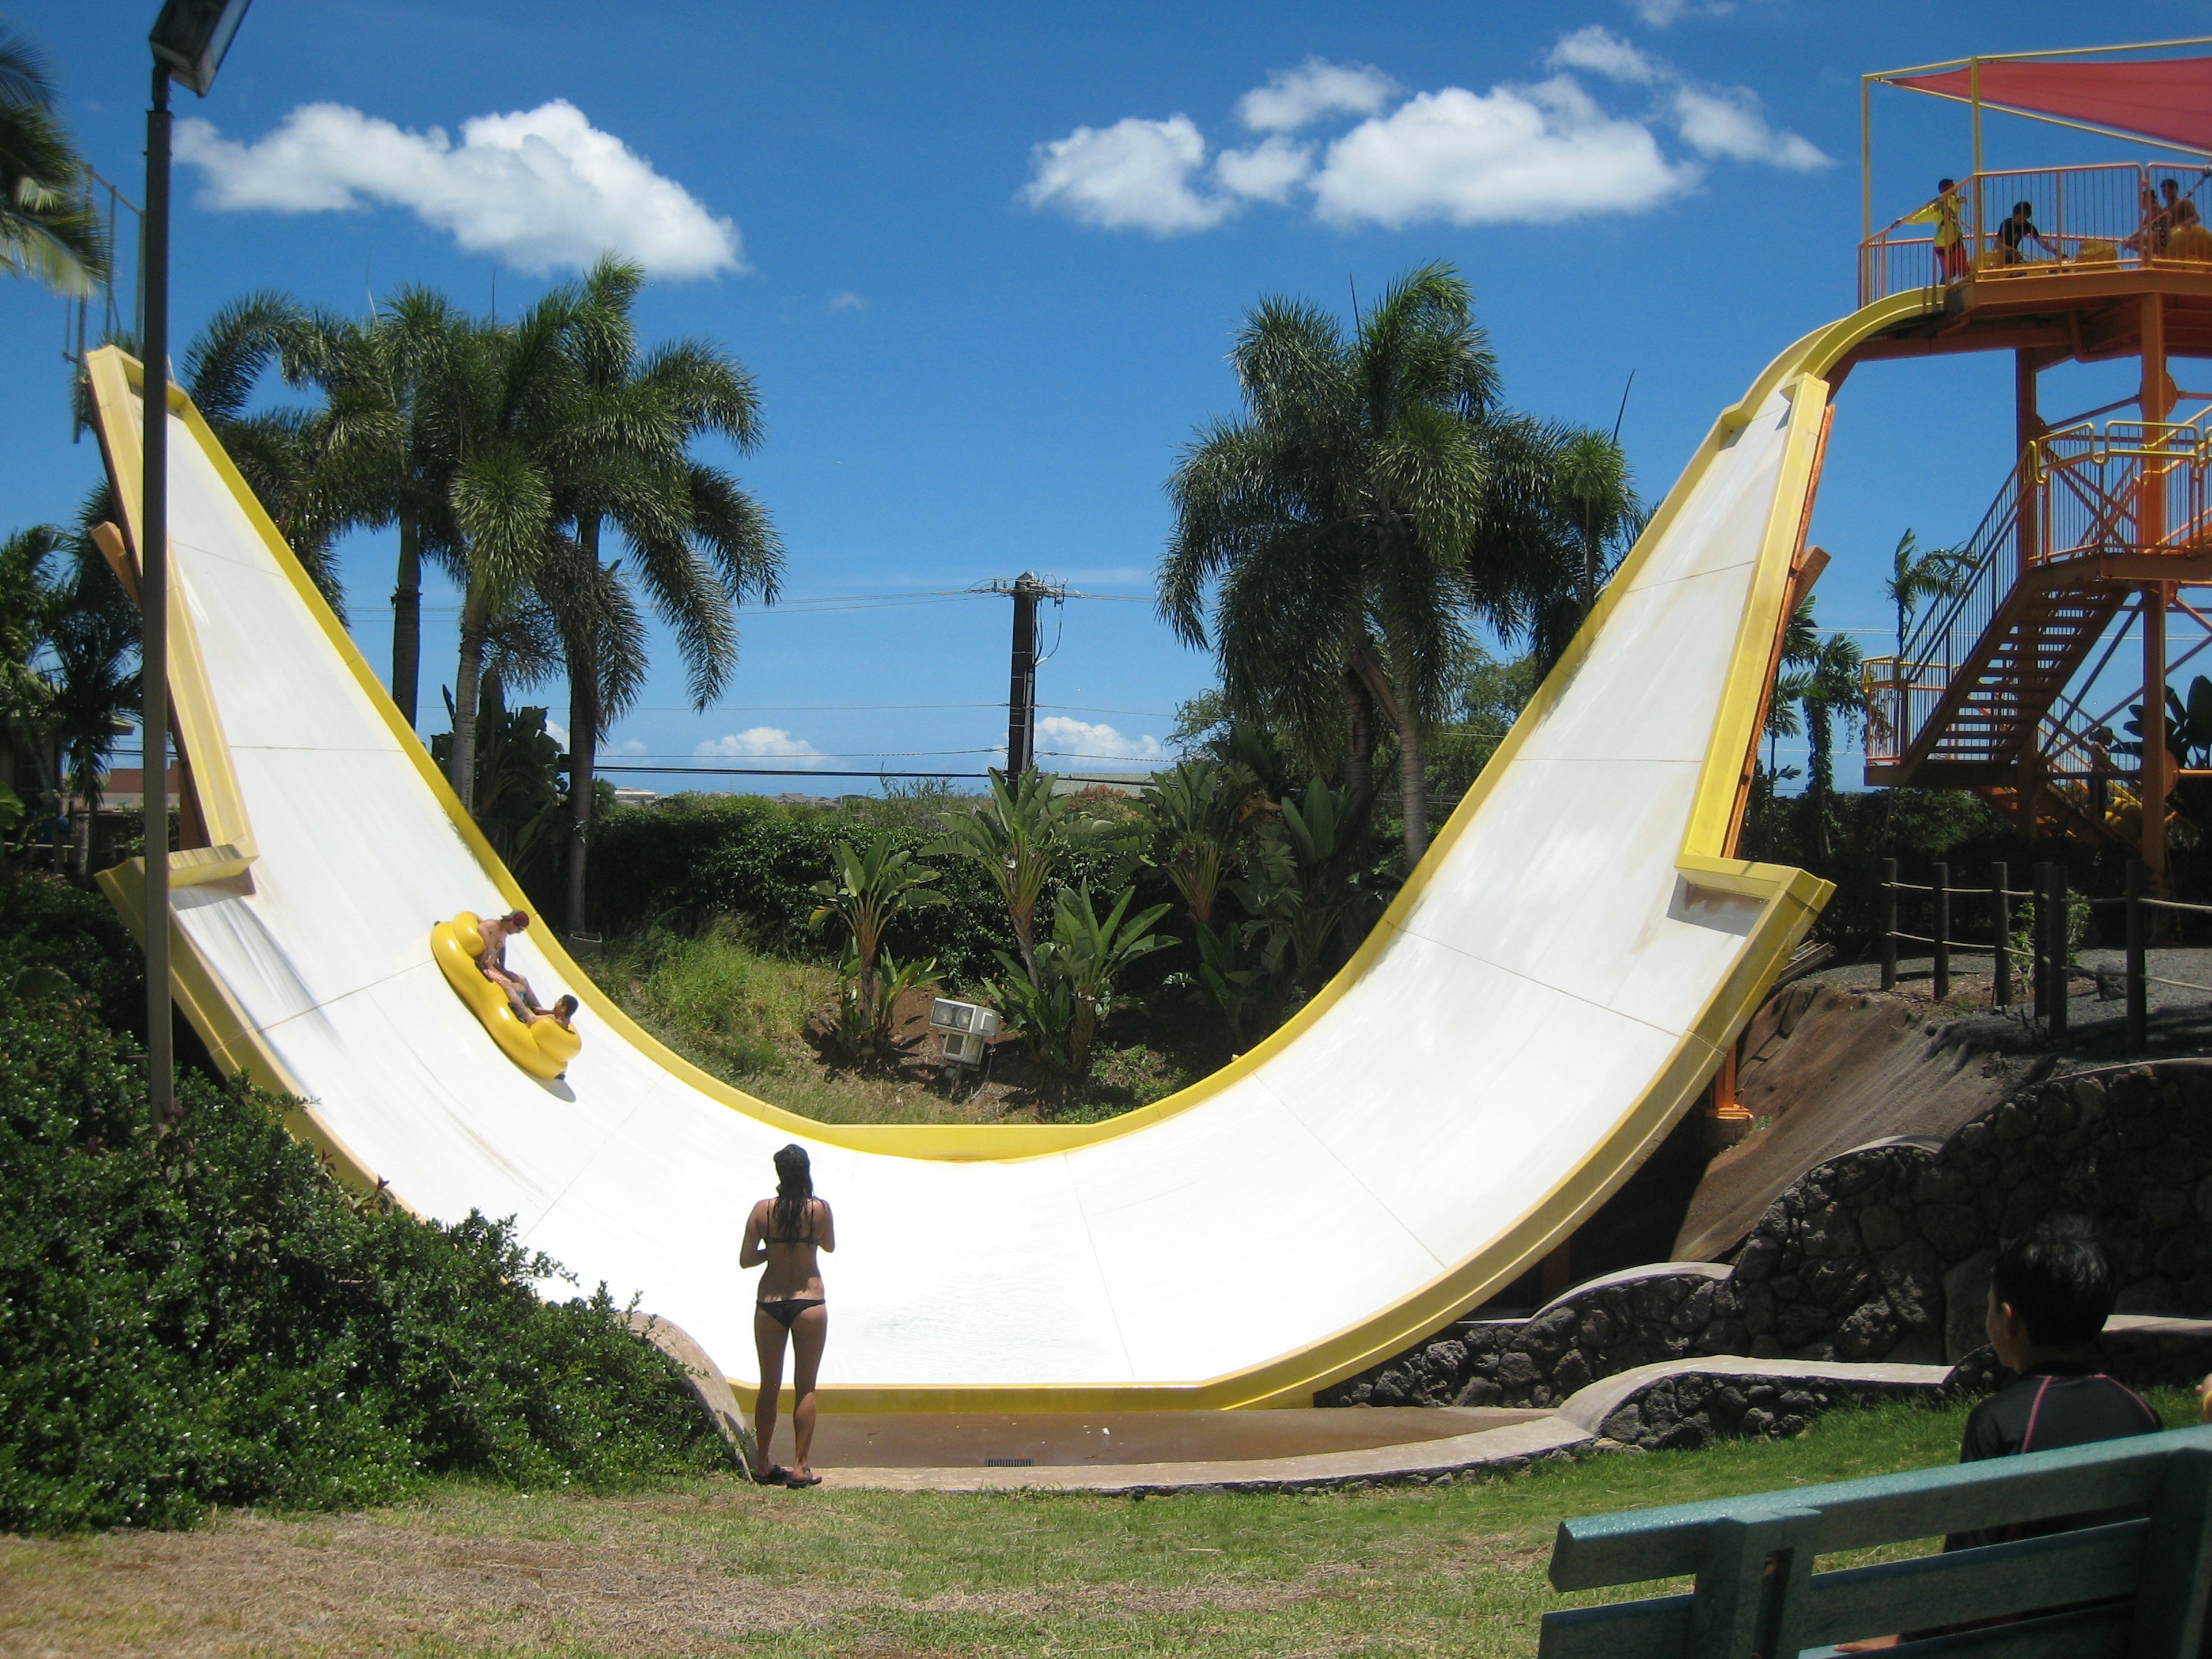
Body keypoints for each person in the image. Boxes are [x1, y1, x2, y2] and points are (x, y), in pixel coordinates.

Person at [1839, 1217, 2160, 1652]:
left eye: (1989, 1305)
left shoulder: (2001, 1422)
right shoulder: (2140, 1414)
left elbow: (1966, 1578)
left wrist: (1903, 1642)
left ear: (2008, 1321)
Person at [740, 1143, 834, 1487]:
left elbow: (747, 1259)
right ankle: (801, 1466)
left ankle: (764, 1464)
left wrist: (772, 1250)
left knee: (769, 1385)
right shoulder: (820, 1209)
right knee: (805, 1386)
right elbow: (829, 1245)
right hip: (810, 1302)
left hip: (770, 1302)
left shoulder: (762, 1210)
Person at [476, 909, 543, 1016]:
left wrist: (503, 968)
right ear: (512, 923)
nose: (518, 933)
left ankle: (538, 1009)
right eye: (519, 930)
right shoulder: (493, 925)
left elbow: (502, 948)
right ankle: (528, 1015)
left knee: (522, 980)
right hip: (484, 966)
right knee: (508, 983)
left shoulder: (504, 932)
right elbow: (481, 928)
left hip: (492, 965)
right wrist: (491, 949)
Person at [1993, 200, 2051, 266]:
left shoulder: (2027, 226)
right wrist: (2008, 249)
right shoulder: (2007, 223)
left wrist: (2056, 252)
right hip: (2001, 255)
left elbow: (2042, 242)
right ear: (2016, 214)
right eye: (2020, 214)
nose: (2022, 217)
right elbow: (1997, 243)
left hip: (2014, 256)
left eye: (2025, 215)